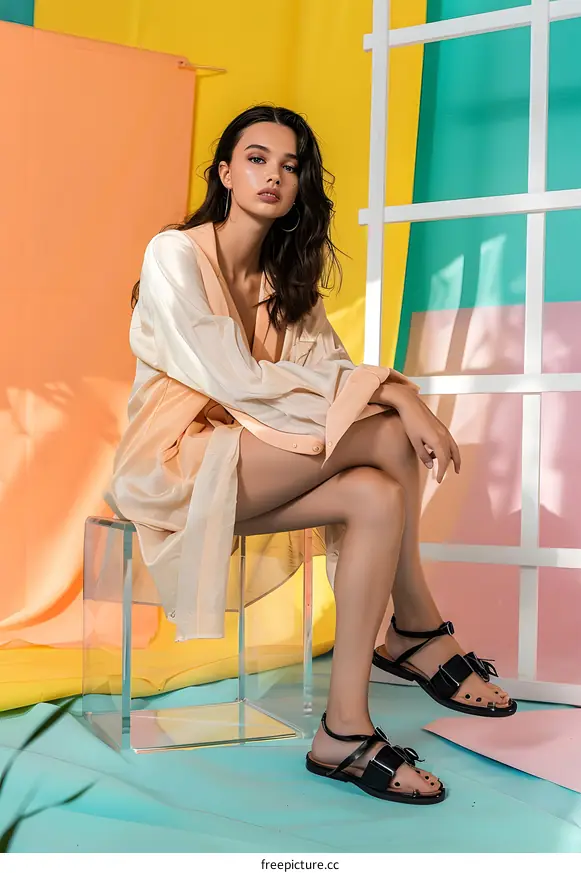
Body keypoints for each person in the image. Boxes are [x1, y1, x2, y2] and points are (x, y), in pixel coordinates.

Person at [105, 103, 516, 806]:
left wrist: (380, 392)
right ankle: (415, 627)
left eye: (290, 166)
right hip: (172, 465)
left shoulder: (286, 283)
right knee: (389, 432)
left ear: (300, 186)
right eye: (257, 159)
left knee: (377, 495)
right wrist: (400, 394)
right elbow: (238, 380)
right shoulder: (173, 255)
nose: (273, 175)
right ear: (224, 173)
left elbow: (333, 378)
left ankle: (343, 729)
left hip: (249, 464)